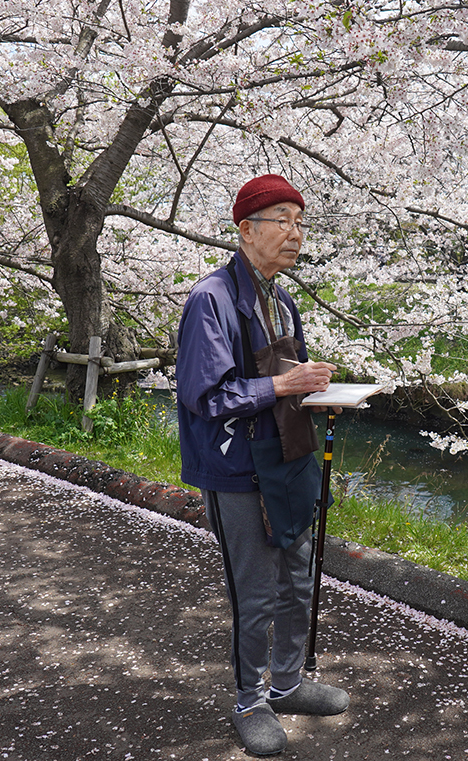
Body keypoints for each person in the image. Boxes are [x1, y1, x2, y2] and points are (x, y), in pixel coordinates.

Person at [176, 174, 350, 756]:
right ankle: (251, 699)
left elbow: (283, 389)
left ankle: (289, 681)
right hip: (237, 468)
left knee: (298, 582)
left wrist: (315, 391)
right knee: (253, 593)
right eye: (283, 220)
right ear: (246, 230)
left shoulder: (282, 299)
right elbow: (205, 395)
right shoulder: (212, 299)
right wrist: (283, 382)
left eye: (301, 223)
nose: (295, 234)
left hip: (289, 457)